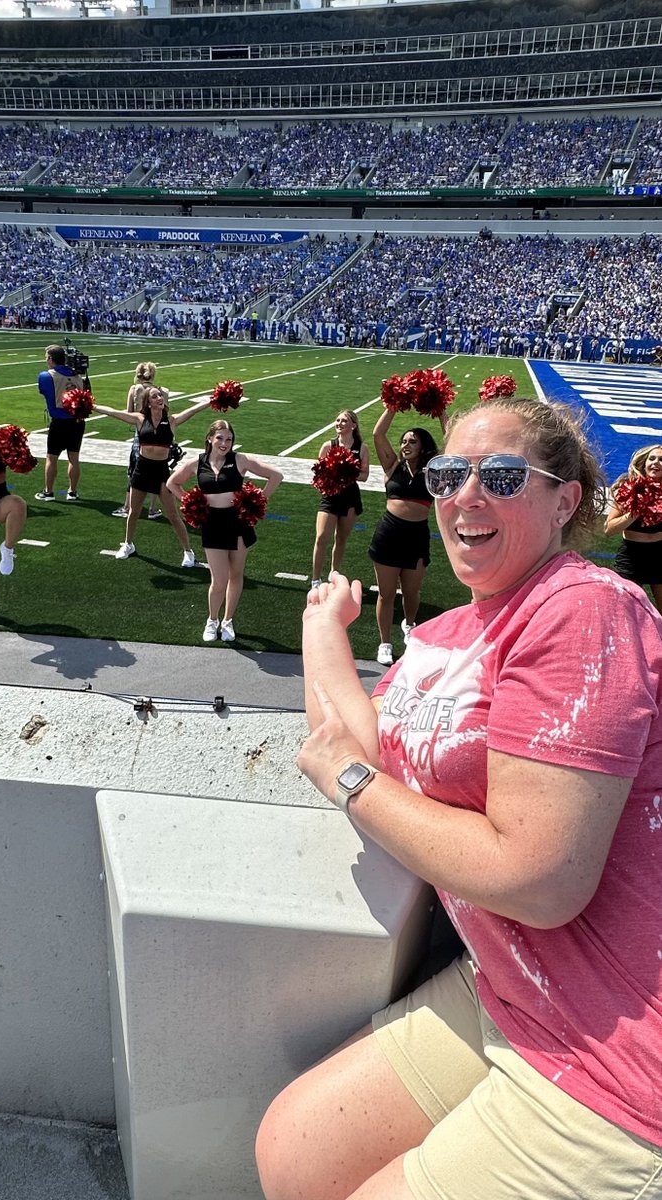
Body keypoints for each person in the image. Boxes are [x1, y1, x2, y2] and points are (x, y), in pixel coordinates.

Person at [256, 396, 662, 1200]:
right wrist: (322, 623)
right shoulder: (450, 632)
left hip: (619, 1054)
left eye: (502, 477)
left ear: (565, 500)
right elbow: (357, 737)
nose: (464, 496)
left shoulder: (583, 609)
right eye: (448, 474)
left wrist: (351, 785)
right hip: (510, 988)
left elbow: (538, 879)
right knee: (293, 1154)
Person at [167, 418, 282, 643]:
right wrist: (190, 503)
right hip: (213, 524)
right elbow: (172, 483)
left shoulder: (240, 460)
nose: (224, 442)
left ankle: (228, 620)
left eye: (229, 439)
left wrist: (258, 501)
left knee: (236, 575)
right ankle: (212, 620)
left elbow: (276, 476)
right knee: (218, 580)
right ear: (210, 438)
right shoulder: (196, 463)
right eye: (220, 437)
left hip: (238, 522)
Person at [93, 387, 210, 565]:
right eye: (155, 396)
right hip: (142, 469)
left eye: (160, 395)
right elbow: (113, 412)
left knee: (172, 514)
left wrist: (212, 400)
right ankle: (128, 544)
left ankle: (188, 552)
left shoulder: (171, 421)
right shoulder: (140, 419)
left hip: (161, 471)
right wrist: (92, 406)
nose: (159, 398)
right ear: (148, 402)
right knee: (134, 512)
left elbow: (193, 410)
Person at [369, 408, 440, 666]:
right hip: (389, 534)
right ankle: (385, 642)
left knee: (411, 592)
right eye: (404, 441)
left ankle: (409, 625)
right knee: (386, 594)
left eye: (413, 441)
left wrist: (441, 413)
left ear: (423, 447)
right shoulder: (392, 465)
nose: (406, 444)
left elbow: (453, 447)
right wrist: (392, 406)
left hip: (417, 536)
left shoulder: (434, 470)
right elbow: (378, 433)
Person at [311, 410, 370, 588]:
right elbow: (318, 474)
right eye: (337, 420)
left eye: (344, 421)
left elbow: (365, 475)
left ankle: (334, 572)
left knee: (341, 538)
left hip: (350, 497)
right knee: (321, 537)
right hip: (330, 496)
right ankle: (315, 579)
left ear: (353, 425)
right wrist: (332, 475)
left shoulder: (362, 448)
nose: (339, 423)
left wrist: (348, 474)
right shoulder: (328, 446)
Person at [604, 443, 662, 613]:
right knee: (623, 610)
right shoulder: (629, 488)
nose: (655, 462)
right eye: (652, 458)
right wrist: (635, 512)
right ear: (644, 463)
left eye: (661, 460)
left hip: (660, 555)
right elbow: (609, 529)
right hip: (631, 556)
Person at [0, 406, 28, 620]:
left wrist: (18, 450)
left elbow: (22, 465)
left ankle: (8, 547)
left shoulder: (0, 438)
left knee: (18, 505)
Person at [112, 362, 162, 521]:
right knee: (157, 471)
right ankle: (153, 509)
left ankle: (128, 506)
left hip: (140, 434)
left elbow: (129, 413)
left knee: (134, 472)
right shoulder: (159, 391)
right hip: (158, 434)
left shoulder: (134, 389)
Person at [35, 344, 85, 501]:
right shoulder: (77, 376)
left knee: (52, 457)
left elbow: (43, 391)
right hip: (77, 422)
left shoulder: (46, 375)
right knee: (74, 458)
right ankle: (72, 491)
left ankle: (49, 492)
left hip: (59, 422)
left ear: (51, 359)